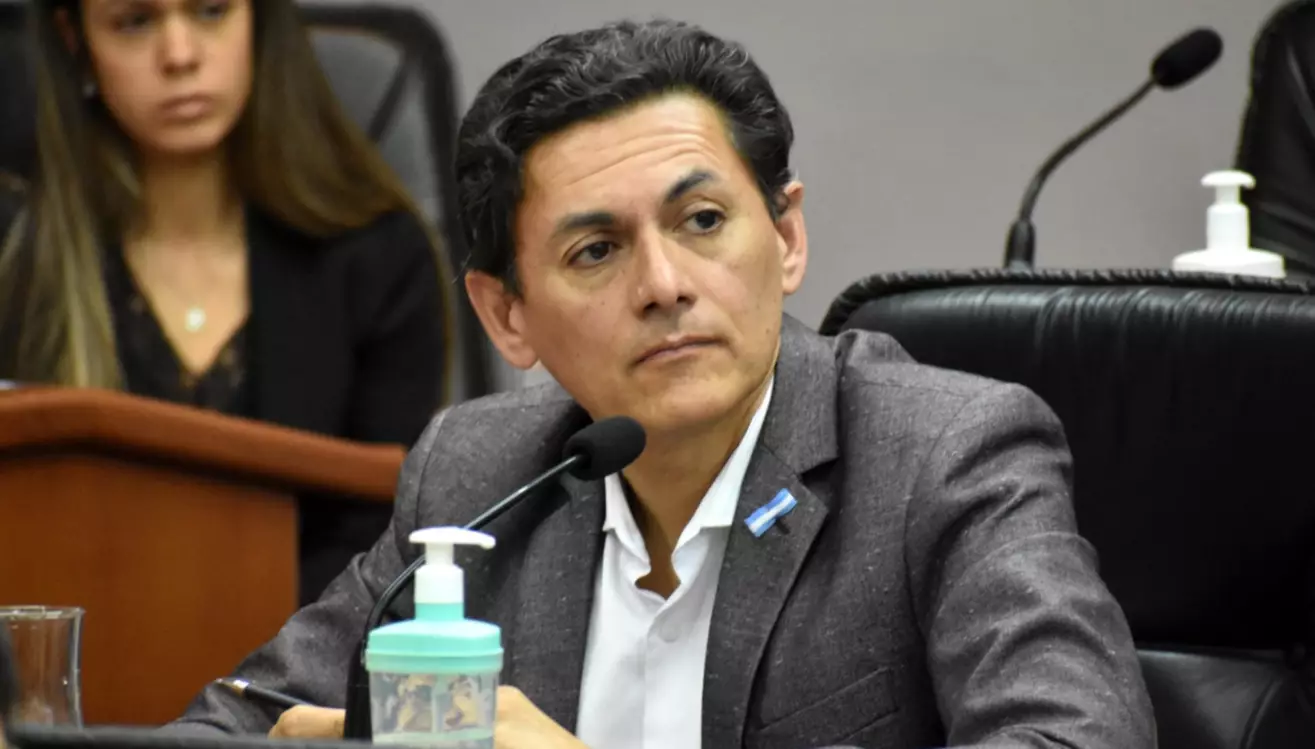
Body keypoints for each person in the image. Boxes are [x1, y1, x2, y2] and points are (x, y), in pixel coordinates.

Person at [169, 18, 1156, 749]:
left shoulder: (944, 456)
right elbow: (232, 720)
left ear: (786, 235)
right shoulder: (478, 474)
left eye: (702, 222)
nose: (665, 284)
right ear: (506, 314)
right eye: (596, 249)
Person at [0, 0, 450, 603]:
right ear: (74, 39)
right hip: (81, 644)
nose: (180, 55)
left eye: (211, 11)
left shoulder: (380, 257)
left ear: (257, 20)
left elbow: (385, 537)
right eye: (135, 23)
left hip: (317, 651)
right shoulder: (17, 260)